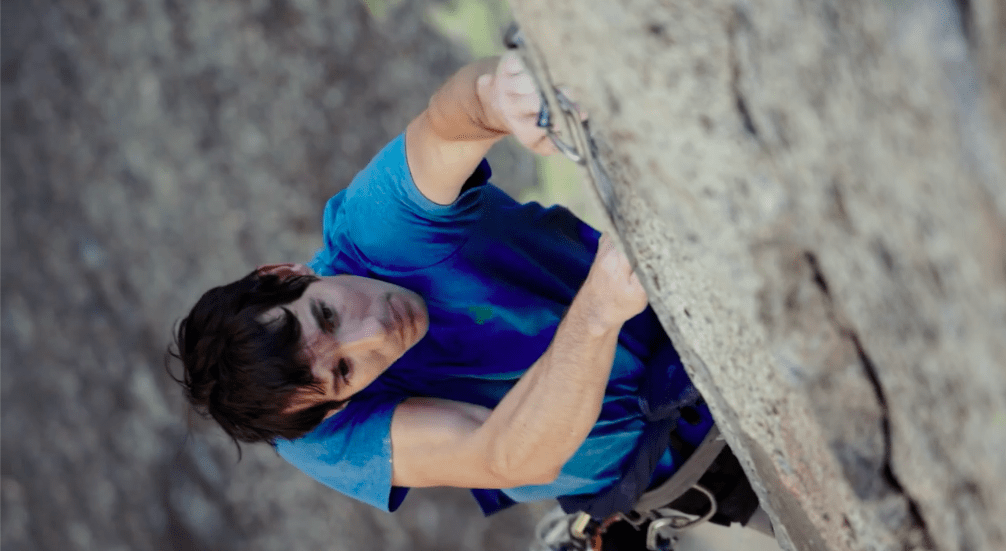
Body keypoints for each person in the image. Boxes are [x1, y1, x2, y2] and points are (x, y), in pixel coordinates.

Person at [169, 52, 767, 539]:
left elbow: (450, 121)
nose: (377, 332)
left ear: (285, 272)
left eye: (327, 313)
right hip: (687, 469)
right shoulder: (317, 431)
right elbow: (505, 457)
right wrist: (596, 314)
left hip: (692, 318)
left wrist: (500, 95)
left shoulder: (379, 234)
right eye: (347, 370)